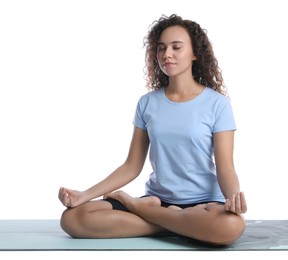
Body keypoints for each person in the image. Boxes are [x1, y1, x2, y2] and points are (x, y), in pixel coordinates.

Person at [58, 14, 247, 246]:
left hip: (204, 204)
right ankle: (181, 226)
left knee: (231, 226)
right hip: (159, 199)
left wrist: (233, 198)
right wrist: (85, 195)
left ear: (195, 53)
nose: (167, 54)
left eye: (176, 47)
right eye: (161, 48)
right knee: (73, 219)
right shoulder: (147, 103)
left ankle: (142, 210)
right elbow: (131, 166)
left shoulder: (217, 104)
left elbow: (225, 167)